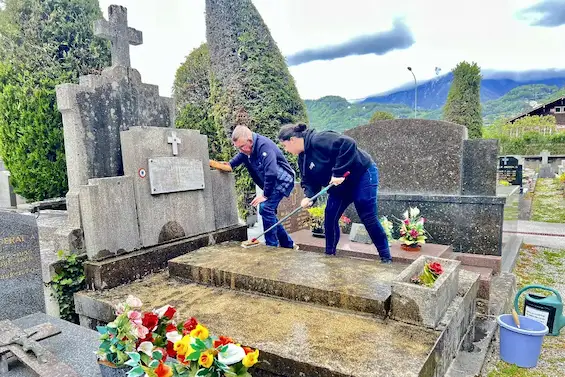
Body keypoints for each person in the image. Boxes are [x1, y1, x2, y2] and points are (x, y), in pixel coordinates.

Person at [278, 123, 392, 263]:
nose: (286, 149)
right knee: (330, 216)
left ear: (292, 140)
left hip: (361, 174)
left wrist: (338, 172)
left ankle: (386, 257)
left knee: (366, 214)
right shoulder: (303, 159)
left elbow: (348, 143)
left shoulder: (318, 139)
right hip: (340, 186)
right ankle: (329, 255)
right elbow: (308, 181)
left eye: (284, 145)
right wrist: (309, 196)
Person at [221, 125, 296, 249]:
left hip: (282, 180)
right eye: (237, 148)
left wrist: (265, 195)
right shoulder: (246, 150)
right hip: (273, 181)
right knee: (268, 212)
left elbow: (271, 172)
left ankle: (272, 247)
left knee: (265, 208)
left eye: (241, 147)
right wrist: (222, 164)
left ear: (250, 141)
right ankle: (288, 244)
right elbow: (232, 164)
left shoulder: (263, 146)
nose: (241, 150)